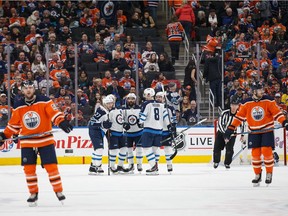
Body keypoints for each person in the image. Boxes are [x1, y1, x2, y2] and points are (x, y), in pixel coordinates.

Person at [0, 80, 73, 206]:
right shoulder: (18, 105)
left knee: (51, 167)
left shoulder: (44, 100)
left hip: (45, 139)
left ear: (34, 89)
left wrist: (61, 122)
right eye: (25, 88)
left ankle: (58, 191)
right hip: (27, 141)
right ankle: (33, 193)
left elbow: (54, 113)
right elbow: (13, 125)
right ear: (22, 91)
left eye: (30, 87)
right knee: (29, 169)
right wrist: (4, 135)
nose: (28, 90)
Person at [224, 82, 288, 186]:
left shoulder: (268, 100)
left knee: (266, 151)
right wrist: (230, 128)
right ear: (254, 91)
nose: (262, 91)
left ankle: (269, 173)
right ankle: (257, 175)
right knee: (255, 154)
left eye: (262, 89)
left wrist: (284, 122)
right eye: (260, 90)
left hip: (266, 130)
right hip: (253, 131)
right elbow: (239, 117)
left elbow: (277, 113)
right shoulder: (246, 103)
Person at [139, 88, 170, 175]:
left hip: (149, 129)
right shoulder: (161, 105)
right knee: (155, 149)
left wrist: (140, 122)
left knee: (146, 147)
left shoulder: (146, 104)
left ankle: (153, 166)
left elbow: (143, 117)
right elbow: (166, 117)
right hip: (159, 130)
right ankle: (156, 166)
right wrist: (169, 126)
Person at [213, 96, 243, 169]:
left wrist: (242, 135)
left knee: (229, 150)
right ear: (230, 105)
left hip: (232, 134)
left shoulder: (239, 114)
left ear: (238, 106)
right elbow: (220, 124)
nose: (233, 107)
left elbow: (242, 125)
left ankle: (227, 163)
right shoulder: (224, 113)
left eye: (235, 105)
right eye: (232, 105)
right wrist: (225, 135)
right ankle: (216, 161)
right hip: (221, 133)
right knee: (217, 148)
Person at [88, 95, 114, 175]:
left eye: (111, 103)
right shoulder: (101, 111)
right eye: (109, 103)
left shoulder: (108, 111)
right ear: (105, 103)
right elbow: (91, 122)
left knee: (98, 149)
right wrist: (102, 124)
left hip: (100, 131)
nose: (110, 105)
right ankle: (98, 166)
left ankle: (92, 167)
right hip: (95, 131)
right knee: (99, 149)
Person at [155, 91, 177, 173]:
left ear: (164, 98)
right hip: (156, 131)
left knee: (167, 149)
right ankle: (155, 166)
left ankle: (169, 164)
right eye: (157, 97)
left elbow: (174, 120)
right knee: (156, 149)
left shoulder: (170, 108)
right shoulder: (153, 107)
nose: (158, 99)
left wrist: (174, 130)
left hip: (166, 131)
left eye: (160, 97)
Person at [122, 93, 143, 173]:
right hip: (128, 133)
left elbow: (143, 118)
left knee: (139, 149)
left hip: (139, 132)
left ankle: (139, 164)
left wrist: (141, 122)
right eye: (129, 99)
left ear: (135, 100)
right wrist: (124, 124)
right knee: (129, 150)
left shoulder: (140, 108)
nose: (131, 100)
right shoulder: (123, 109)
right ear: (127, 100)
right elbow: (121, 119)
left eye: (132, 99)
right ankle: (131, 165)